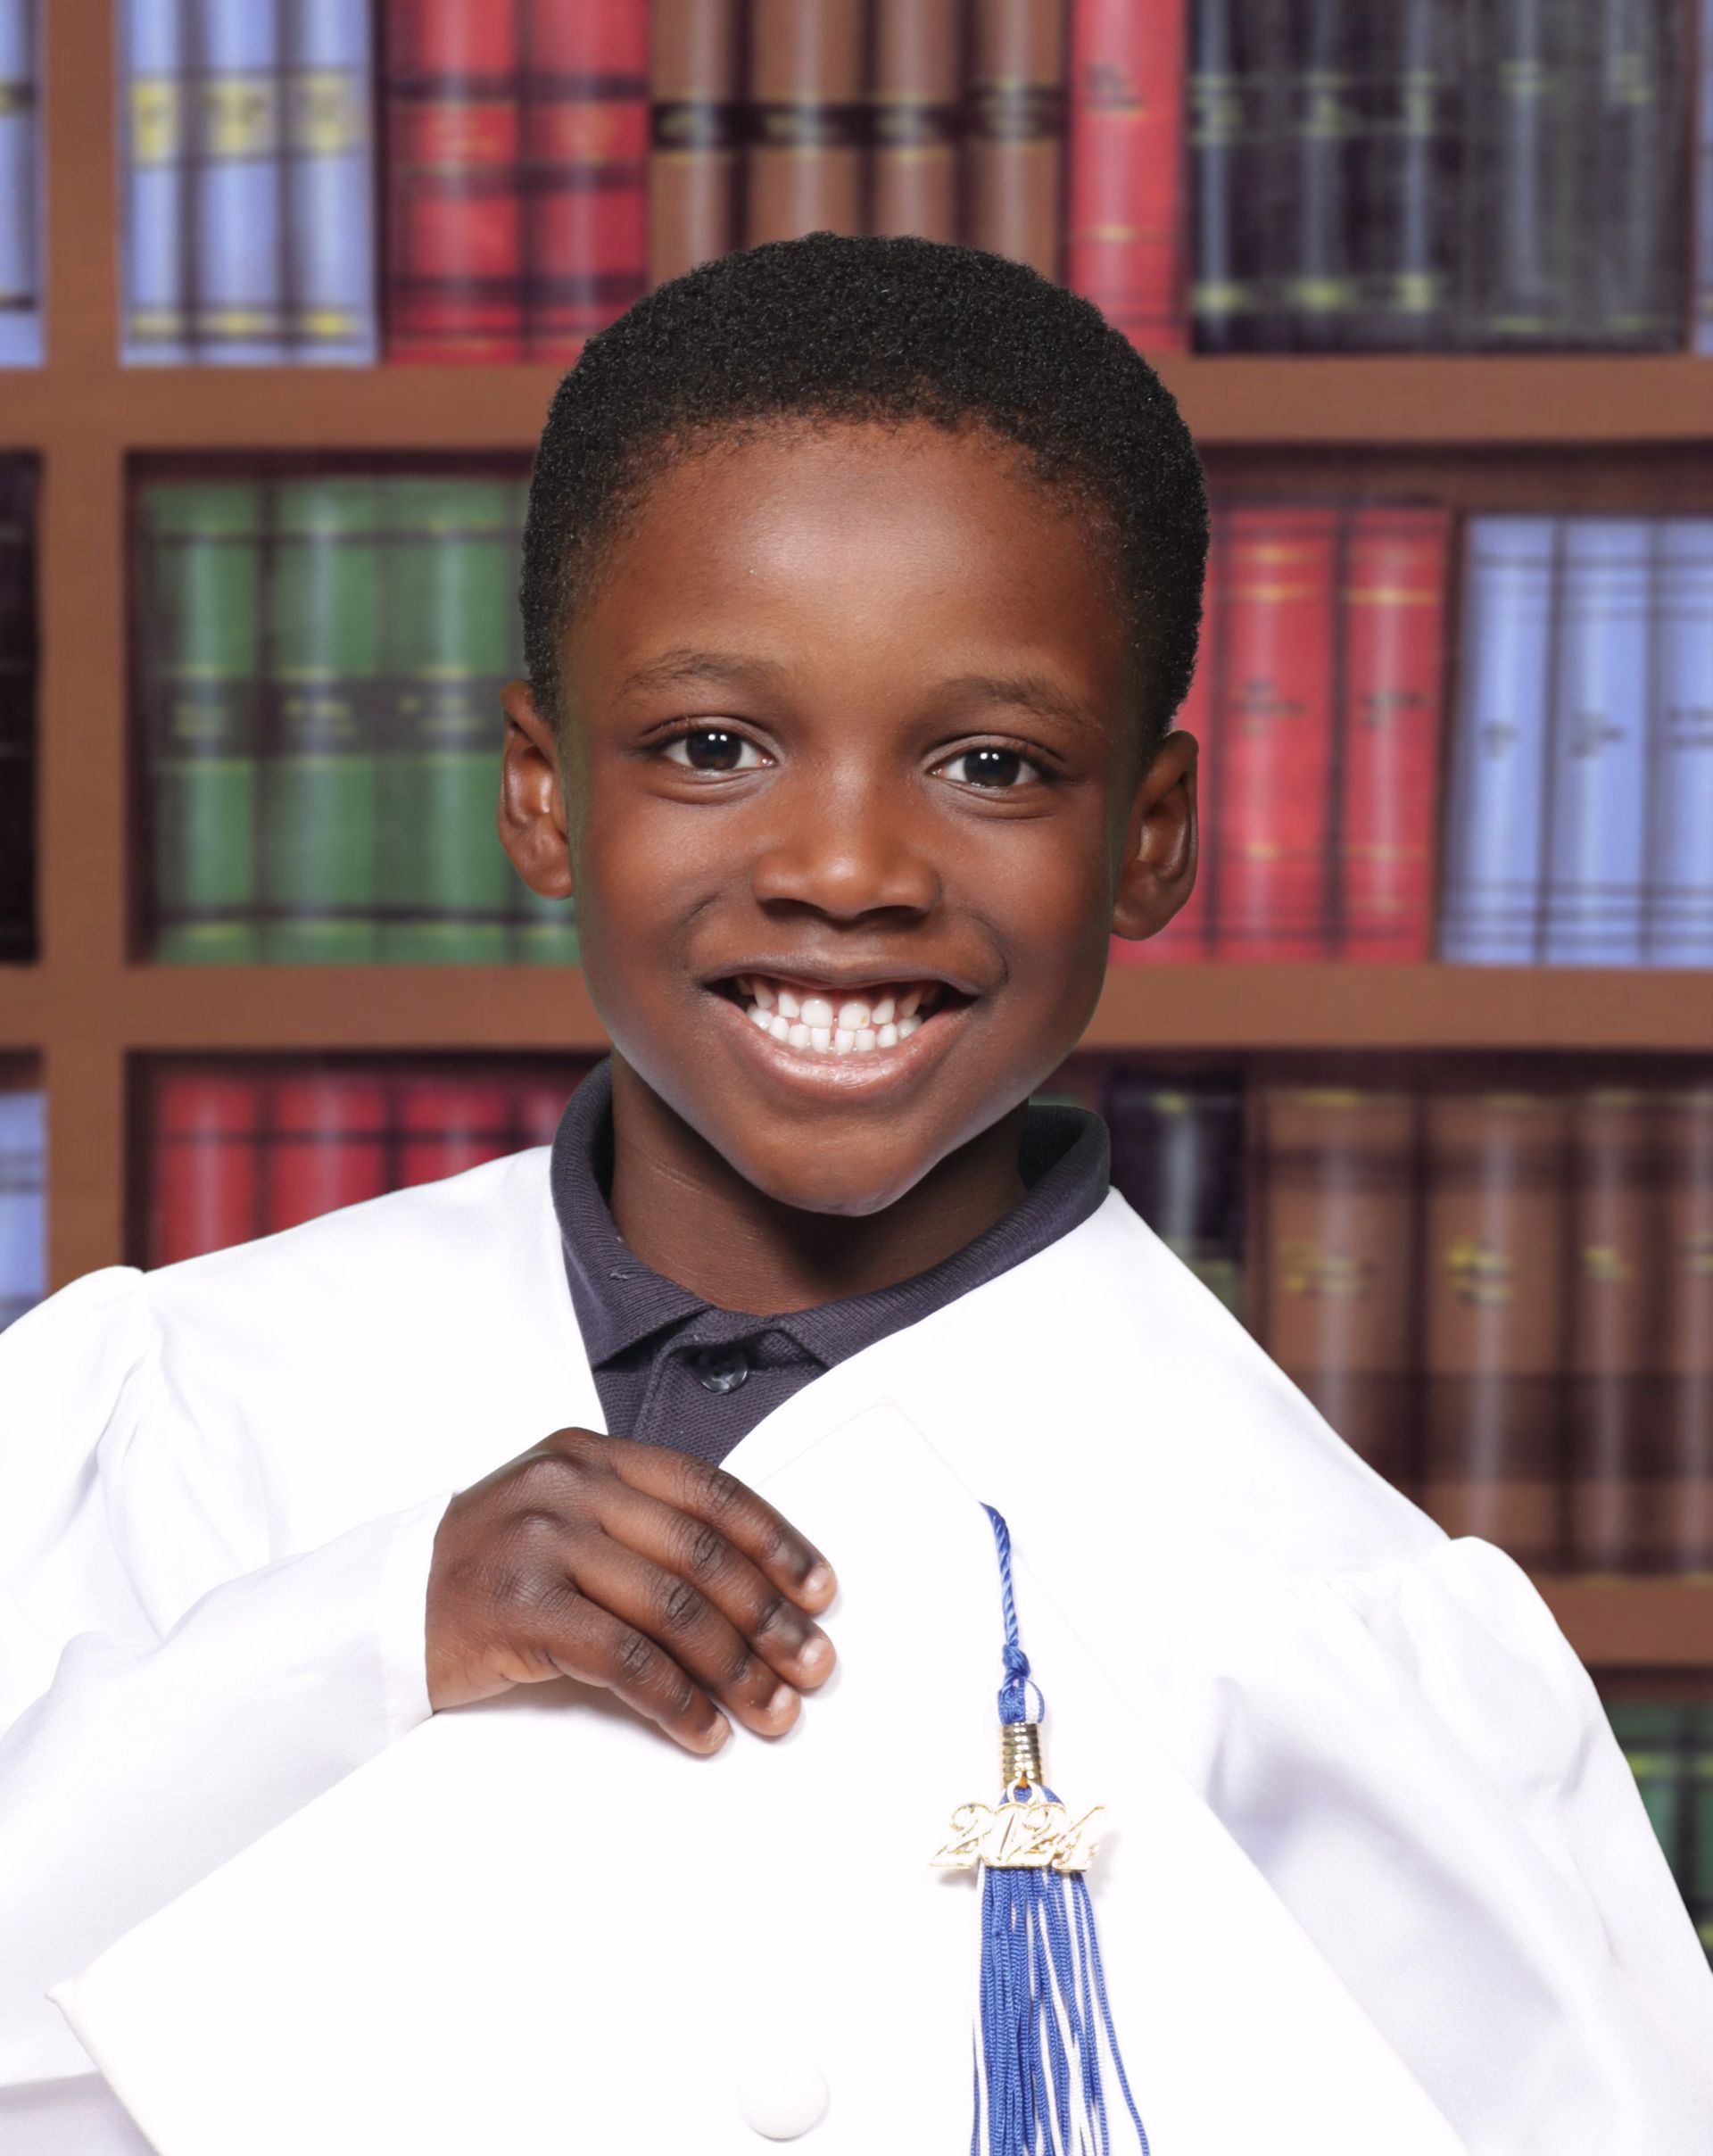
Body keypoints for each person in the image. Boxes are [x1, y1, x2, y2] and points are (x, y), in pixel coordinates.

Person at [1, 234, 1709, 2156]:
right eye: (716, 744)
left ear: (1150, 839)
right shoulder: (205, 1406)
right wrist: (369, 1637)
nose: (844, 864)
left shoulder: (1314, 1613)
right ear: (543, 789)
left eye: (990, 762)